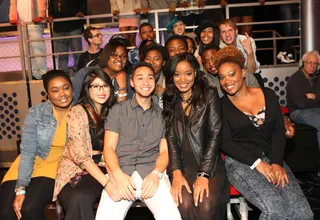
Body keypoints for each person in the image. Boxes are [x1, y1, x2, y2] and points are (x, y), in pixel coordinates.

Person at [215, 46, 313, 220]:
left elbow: (277, 130)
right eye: (222, 77)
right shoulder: (221, 105)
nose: (227, 81)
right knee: (274, 211)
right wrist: (257, 163)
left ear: (243, 73)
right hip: (242, 162)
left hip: (272, 157)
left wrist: (276, 163)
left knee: (303, 214)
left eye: (232, 74)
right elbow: (225, 142)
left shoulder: (268, 94)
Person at [95, 62, 182, 220]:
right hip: (122, 172)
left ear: (155, 82)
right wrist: (117, 174)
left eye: (150, 77)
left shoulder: (162, 115)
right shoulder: (118, 111)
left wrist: (156, 174)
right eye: (140, 78)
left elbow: (164, 151)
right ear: (132, 82)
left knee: (171, 216)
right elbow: (108, 148)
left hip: (151, 172)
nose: (146, 82)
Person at [162, 52, 229, 219]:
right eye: (177, 74)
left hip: (208, 162)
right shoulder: (169, 98)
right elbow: (170, 139)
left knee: (205, 205)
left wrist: (203, 174)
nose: (182, 79)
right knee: (183, 204)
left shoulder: (209, 94)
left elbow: (215, 134)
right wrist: (176, 172)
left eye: (188, 73)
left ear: (196, 73)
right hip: (183, 165)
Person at [0, 70, 73, 220]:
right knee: (5, 212)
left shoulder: (80, 111)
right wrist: (21, 189)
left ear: (72, 88)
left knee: (29, 208)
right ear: (47, 95)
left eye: (66, 88)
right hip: (29, 161)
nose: (62, 94)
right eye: (55, 90)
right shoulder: (36, 113)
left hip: (56, 165)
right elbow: (27, 152)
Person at [53, 69, 116, 220]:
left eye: (105, 85)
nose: (101, 90)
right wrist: (106, 182)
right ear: (87, 89)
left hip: (106, 165)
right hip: (76, 168)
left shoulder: (115, 112)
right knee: (78, 196)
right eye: (95, 86)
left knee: (81, 196)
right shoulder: (77, 113)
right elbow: (81, 156)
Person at [287, 50, 320, 148]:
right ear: (302, 63)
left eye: (315, 63)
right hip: (298, 111)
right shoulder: (295, 79)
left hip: (315, 109)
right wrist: (317, 99)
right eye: (309, 62)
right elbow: (301, 103)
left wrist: (314, 97)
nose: (312, 66)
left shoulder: (317, 77)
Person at [9, 0, 48, 79]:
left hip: (34, 23)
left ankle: (44, 73)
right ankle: (35, 74)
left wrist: (40, 16)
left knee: (38, 50)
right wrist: (13, 17)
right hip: (21, 25)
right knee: (27, 51)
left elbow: (42, 2)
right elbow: (13, 5)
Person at [219, 19, 264, 86]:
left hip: (252, 76)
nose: (227, 34)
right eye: (223, 32)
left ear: (236, 31)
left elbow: (251, 71)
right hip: (231, 78)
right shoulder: (219, 46)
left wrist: (249, 52)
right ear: (220, 35)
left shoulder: (247, 41)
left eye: (230, 30)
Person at [48, 0, 87, 73]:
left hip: (74, 25)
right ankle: (63, 74)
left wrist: (82, 12)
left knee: (77, 52)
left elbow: (83, 3)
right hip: (58, 27)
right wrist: (50, 15)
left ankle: (78, 72)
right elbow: (51, 6)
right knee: (61, 54)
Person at [143, 43, 169, 108]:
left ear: (163, 63)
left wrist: (164, 94)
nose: (151, 62)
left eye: (156, 59)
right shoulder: (137, 80)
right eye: (148, 59)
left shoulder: (169, 81)